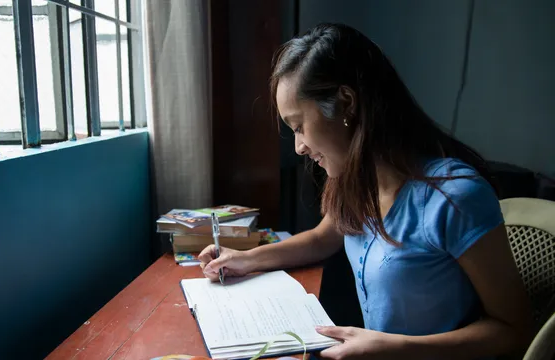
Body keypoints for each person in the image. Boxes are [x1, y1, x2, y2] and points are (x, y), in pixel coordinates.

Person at [199, 23, 533, 359]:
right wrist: (245, 260)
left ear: (346, 103)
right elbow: (321, 239)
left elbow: (514, 331)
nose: (299, 147)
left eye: (299, 127)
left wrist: (397, 348)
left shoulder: (455, 197)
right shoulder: (355, 179)